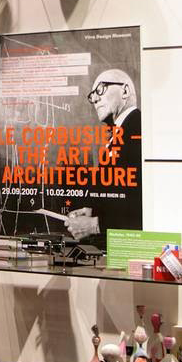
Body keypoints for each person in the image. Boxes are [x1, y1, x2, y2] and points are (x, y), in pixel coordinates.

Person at [66, 67, 142, 243]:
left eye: (100, 89)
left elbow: (141, 204)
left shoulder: (136, 129)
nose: (95, 99)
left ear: (125, 91)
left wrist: (95, 224)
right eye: (92, 95)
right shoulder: (123, 131)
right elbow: (124, 195)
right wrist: (94, 211)